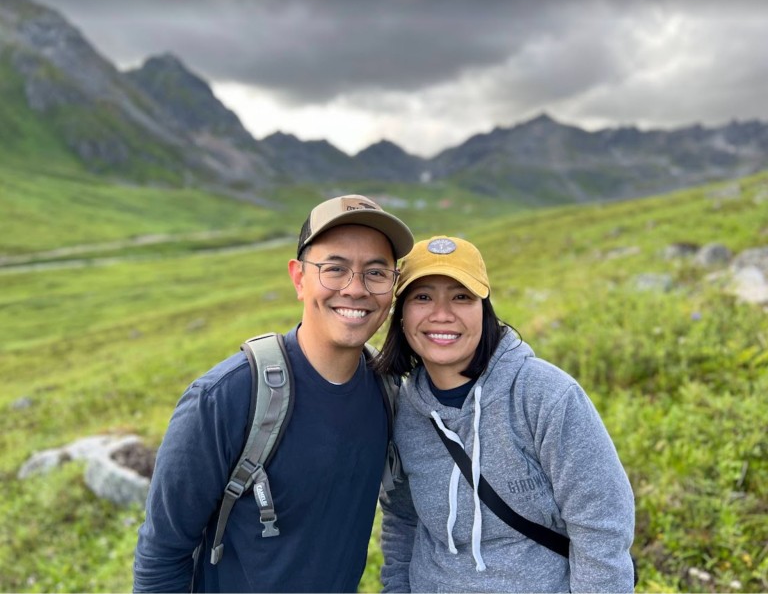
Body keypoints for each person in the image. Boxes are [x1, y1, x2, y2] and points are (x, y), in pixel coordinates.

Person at [133, 194, 414, 593]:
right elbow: (160, 559)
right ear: (299, 278)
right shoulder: (224, 399)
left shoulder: (388, 394)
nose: (356, 289)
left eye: (376, 272)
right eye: (335, 268)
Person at [376, 236, 635, 593]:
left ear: (484, 311)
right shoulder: (401, 409)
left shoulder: (546, 395)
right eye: (422, 297)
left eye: (461, 296)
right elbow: (402, 520)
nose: (441, 314)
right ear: (401, 315)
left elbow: (601, 526)